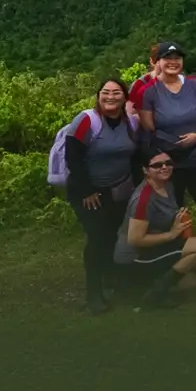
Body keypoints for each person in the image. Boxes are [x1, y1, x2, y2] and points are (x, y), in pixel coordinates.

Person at [63, 78, 139, 315]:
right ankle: (93, 294)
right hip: (89, 192)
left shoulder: (131, 123)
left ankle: (111, 280)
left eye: (117, 93)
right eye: (105, 92)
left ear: (125, 98)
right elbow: (73, 156)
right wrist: (87, 190)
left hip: (119, 190)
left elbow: (135, 156)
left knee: (112, 236)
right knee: (97, 238)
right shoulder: (87, 120)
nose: (110, 97)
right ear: (98, 96)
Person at [114, 148, 196, 309]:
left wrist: (178, 216)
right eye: (157, 165)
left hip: (155, 247)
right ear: (146, 170)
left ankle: (145, 284)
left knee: (191, 281)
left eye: (168, 163)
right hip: (135, 256)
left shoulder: (167, 186)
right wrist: (172, 234)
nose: (164, 167)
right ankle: (157, 293)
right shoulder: (143, 199)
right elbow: (135, 239)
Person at [138, 41, 196, 228]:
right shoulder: (149, 92)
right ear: (158, 61)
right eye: (167, 58)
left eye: (177, 58)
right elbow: (149, 127)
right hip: (169, 162)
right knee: (174, 207)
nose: (173, 62)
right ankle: (181, 246)